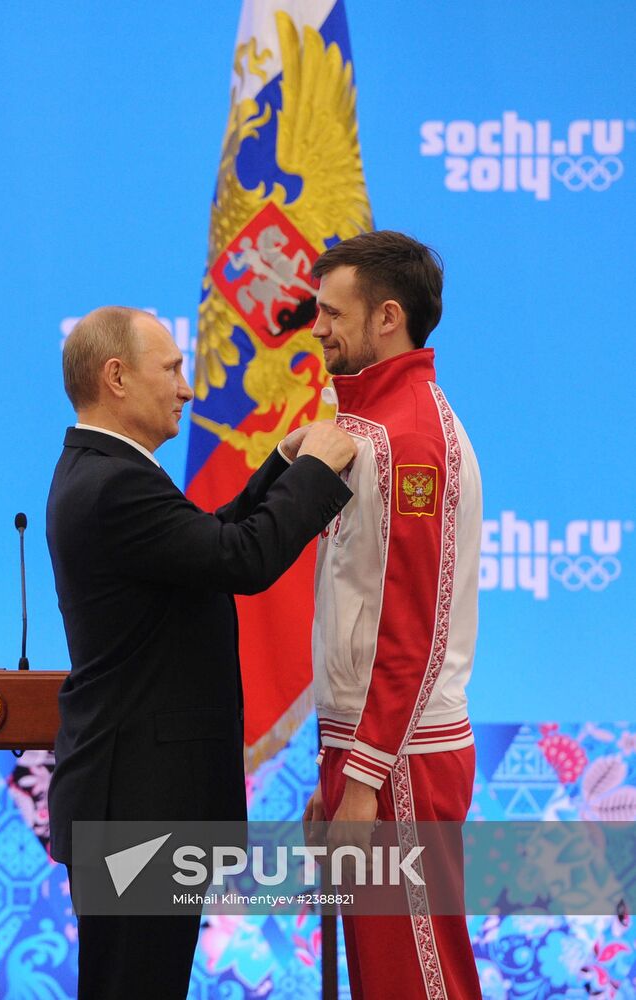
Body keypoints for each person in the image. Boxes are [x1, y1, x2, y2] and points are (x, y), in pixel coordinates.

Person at [46, 305, 356, 1000]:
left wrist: (279, 466)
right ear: (116, 377)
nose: (188, 388)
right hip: (138, 810)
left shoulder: (102, 472)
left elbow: (204, 545)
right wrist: (319, 473)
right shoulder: (114, 483)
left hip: (134, 804)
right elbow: (240, 559)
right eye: (174, 369)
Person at [303, 231, 483, 999]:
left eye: (329, 313)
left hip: (402, 756)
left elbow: (413, 628)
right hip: (368, 745)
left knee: (421, 981)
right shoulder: (363, 428)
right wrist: (339, 768)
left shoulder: (411, 439)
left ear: (386, 318)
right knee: (386, 979)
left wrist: (367, 774)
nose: (315, 329)